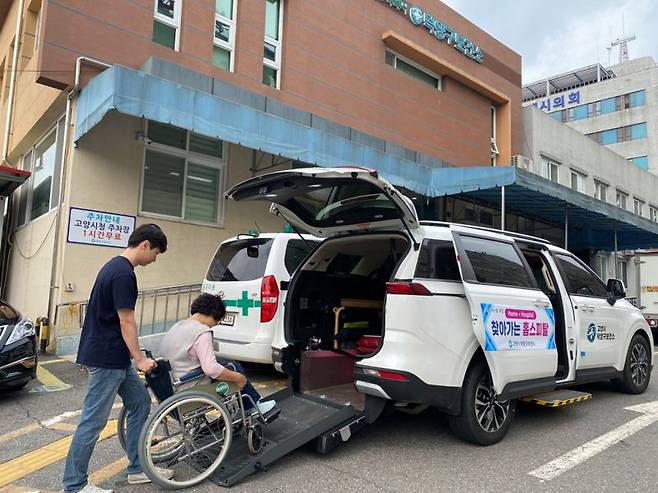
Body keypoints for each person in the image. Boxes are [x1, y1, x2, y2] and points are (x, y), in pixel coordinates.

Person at [63, 224, 170, 493]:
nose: (155, 259)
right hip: (107, 357)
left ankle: (137, 468)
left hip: (113, 356)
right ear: (145, 245)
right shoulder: (123, 274)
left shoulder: (113, 267)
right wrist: (140, 359)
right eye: (155, 253)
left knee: (139, 402)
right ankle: (74, 485)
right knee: (93, 421)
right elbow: (126, 320)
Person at [159, 293, 276, 415]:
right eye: (218, 320)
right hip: (192, 389)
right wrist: (240, 379)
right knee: (234, 367)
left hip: (173, 389)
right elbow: (211, 369)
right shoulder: (202, 332)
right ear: (213, 314)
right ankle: (254, 407)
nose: (215, 324)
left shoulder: (177, 327)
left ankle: (251, 406)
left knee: (226, 366)